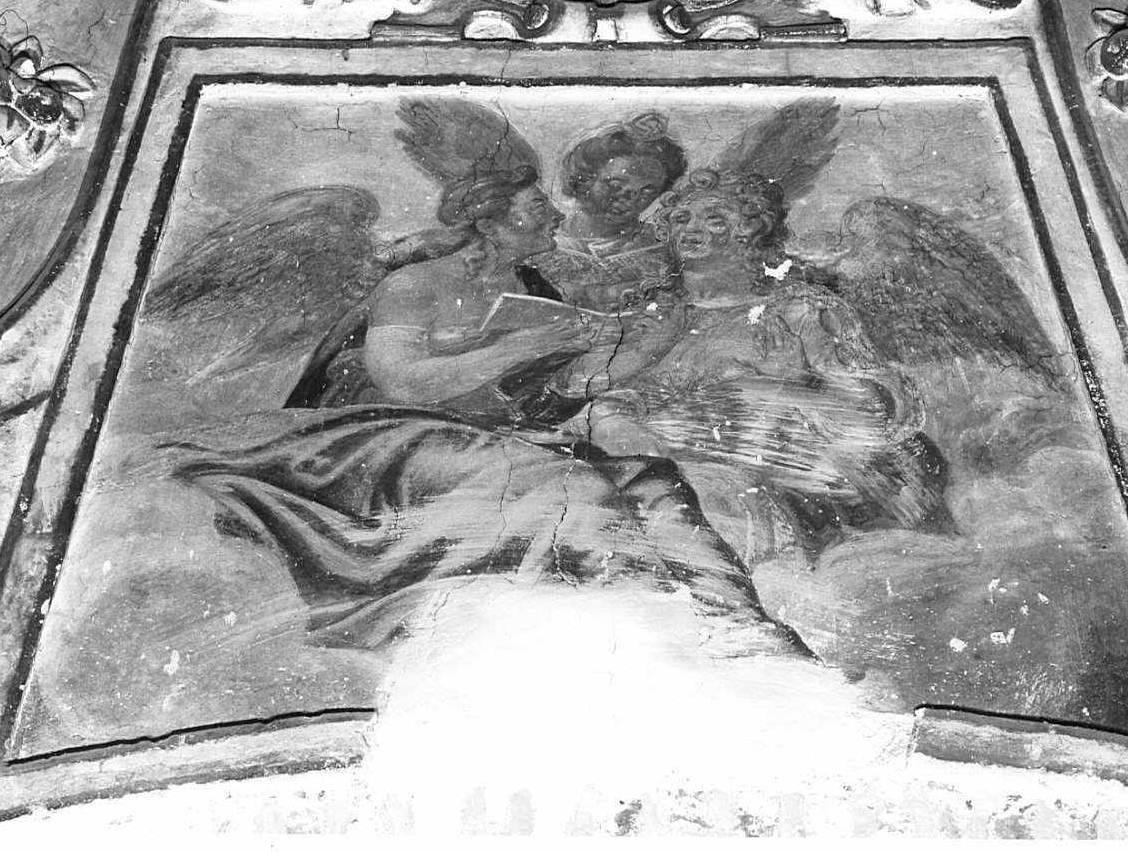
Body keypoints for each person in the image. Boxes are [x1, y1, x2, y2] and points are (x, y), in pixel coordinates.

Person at [169, 166, 809, 656]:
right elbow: (402, 380)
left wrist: (644, 343)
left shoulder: (534, 289)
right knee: (576, 487)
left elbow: (565, 391)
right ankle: (653, 628)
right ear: (490, 222)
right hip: (398, 434)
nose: (555, 215)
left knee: (652, 481)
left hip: (503, 431)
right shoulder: (416, 283)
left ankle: (739, 622)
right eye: (537, 208)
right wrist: (523, 345)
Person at [570, 168, 953, 570]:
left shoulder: (797, 310)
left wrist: (796, 381)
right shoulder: (652, 317)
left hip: (782, 495)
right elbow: (600, 397)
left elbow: (878, 415)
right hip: (656, 478)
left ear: (750, 230)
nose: (690, 229)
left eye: (714, 218)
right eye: (681, 219)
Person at [527, 112, 688, 313]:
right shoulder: (540, 243)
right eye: (615, 185)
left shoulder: (662, 247)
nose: (630, 198)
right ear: (583, 181)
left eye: (647, 191)